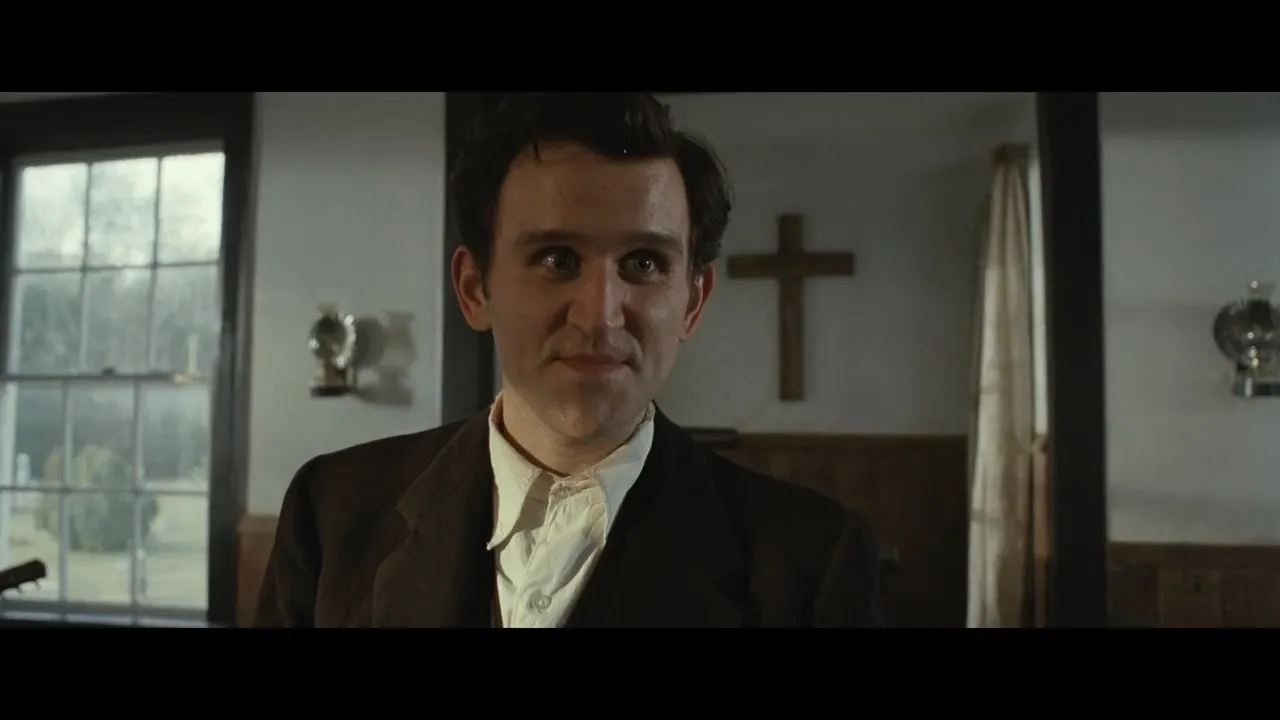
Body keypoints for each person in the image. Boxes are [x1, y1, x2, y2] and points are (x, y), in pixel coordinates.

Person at [254, 93, 885, 628]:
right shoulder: (331, 511)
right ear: (475, 290)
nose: (600, 316)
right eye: (558, 259)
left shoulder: (810, 562)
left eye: (643, 262)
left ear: (692, 304)